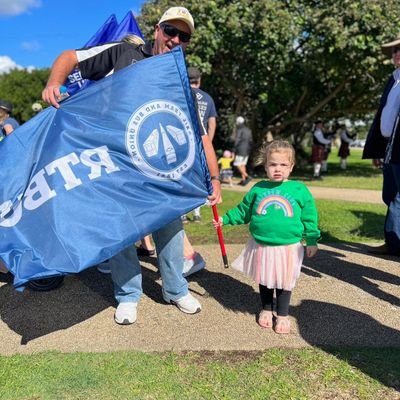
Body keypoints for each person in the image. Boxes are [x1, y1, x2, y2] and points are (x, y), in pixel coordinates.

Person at [42, 6, 222, 325]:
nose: (175, 39)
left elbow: (200, 136)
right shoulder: (123, 52)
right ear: (157, 30)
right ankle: (128, 296)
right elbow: (69, 56)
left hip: (161, 168)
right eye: (170, 30)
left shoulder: (180, 77)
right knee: (122, 230)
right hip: (117, 161)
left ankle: (176, 289)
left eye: (184, 35)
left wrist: (215, 178)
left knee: (169, 226)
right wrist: (54, 82)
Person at [214, 140, 319, 334]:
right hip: (261, 244)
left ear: (291, 167)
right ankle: (266, 308)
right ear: (265, 166)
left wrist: (311, 239)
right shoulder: (258, 188)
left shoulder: (299, 190)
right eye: (273, 164)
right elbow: (243, 211)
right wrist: (224, 219)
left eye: (283, 165)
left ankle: (283, 314)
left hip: (288, 246)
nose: (277, 169)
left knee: (284, 281)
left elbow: (309, 217)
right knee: (265, 278)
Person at [363, 36, 400, 257]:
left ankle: (395, 243)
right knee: (390, 195)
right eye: (395, 51)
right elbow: (385, 117)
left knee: (398, 198)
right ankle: (393, 241)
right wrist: (379, 149)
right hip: (390, 146)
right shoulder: (394, 79)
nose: (396, 53)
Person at [182, 66, 217, 223]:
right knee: (200, 180)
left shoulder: (181, 94)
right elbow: (212, 124)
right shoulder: (208, 98)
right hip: (201, 143)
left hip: (183, 143)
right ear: (199, 81)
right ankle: (197, 213)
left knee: (183, 178)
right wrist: (207, 144)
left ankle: (181, 214)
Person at [233, 116, 253, 185]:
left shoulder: (239, 130)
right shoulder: (248, 130)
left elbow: (237, 140)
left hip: (240, 149)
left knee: (237, 164)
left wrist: (234, 149)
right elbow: (250, 141)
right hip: (247, 150)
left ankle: (247, 176)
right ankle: (243, 180)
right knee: (243, 165)